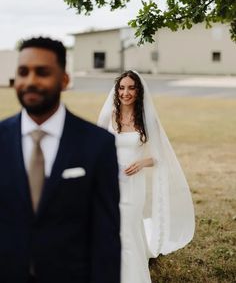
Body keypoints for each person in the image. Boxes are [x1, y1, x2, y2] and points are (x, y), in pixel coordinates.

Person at [0, 37, 121, 283]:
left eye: (42, 72)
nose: (30, 81)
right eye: (23, 72)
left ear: (64, 80)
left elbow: (105, 235)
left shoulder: (98, 144)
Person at [98, 70, 195, 283]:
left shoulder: (146, 117)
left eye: (131, 87)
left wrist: (142, 162)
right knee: (116, 227)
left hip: (134, 184)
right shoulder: (110, 114)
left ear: (139, 91)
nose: (126, 92)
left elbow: (160, 156)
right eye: (122, 88)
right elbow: (97, 148)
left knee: (128, 225)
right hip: (112, 183)